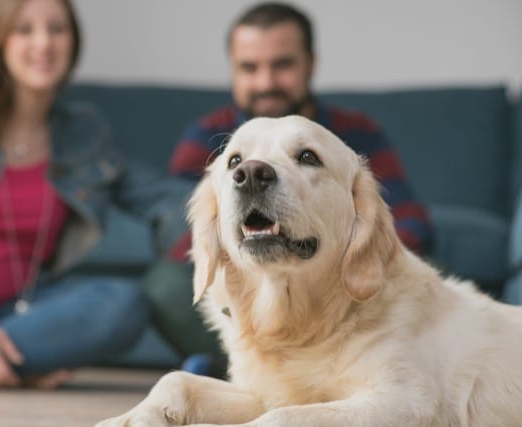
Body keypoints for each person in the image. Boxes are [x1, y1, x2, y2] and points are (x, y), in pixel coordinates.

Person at [0, 0, 191, 388]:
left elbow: (154, 195)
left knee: (123, 306)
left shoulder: (82, 132)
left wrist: (226, 203)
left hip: (19, 316)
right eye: (24, 30)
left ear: (73, 43)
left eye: (57, 29)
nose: (43, 43)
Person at [145, 2, 434, 377]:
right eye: (249, 68)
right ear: (233, 70)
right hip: (242, 288)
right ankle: (243, 370)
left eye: (282, 65)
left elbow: (409, 217)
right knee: (164, 286)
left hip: (337, 292)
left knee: (420, 274)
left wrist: (359, 258)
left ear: (310, 64)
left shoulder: (357, 132)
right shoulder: (206, 135)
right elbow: (183, 226)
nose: (266, 82)